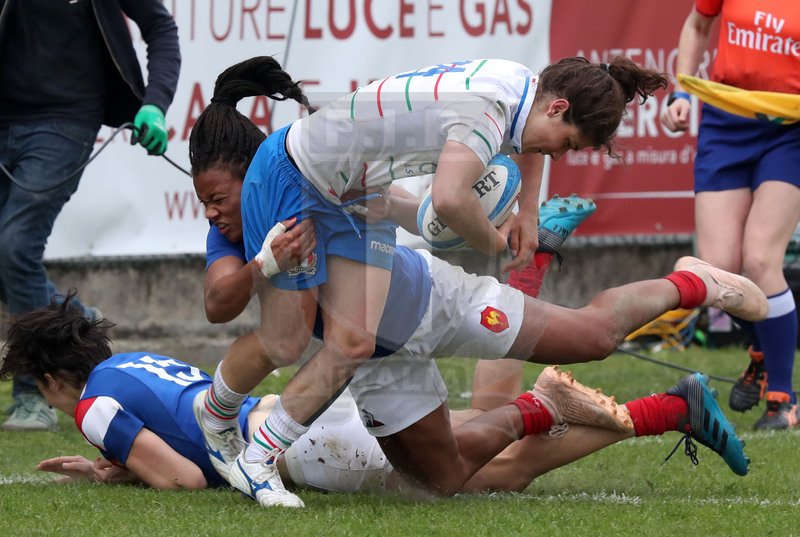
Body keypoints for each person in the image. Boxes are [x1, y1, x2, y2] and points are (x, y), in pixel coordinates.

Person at [188, 63, 764, 507]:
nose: (557, 154)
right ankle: (235, 434)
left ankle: (689, 283)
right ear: (558, 107)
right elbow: (447, 201)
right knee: (324, 356)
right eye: (567, 144)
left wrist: (528, 214)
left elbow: (517, 149)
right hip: (322, 195)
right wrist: (496, 243)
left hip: (375, 227)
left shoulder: (523, 92)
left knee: (583, 344)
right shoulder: (492, 107)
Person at [0, 296, 749, 499]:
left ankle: (543, 404)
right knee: (467, 442)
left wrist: (113, 469)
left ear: (52, 378)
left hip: (304, 450)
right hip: (303, 416)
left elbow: (185, 478)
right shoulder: (129, 361)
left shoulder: (92, 404)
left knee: (499, 470)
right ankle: (673, 407)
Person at [0, 0, 181, 431]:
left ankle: (33, 392)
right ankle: (76, 322)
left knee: (15, 248)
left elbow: (160, 28)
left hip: (66, 120)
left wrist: (155, 103)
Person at [660, 1, 800, 430]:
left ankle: (783, 400)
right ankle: (761, 353)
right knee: (716, 272)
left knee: (760, 260)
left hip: (791, 128)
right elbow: (697, 26)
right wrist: (681, 91)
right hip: (725, 120)